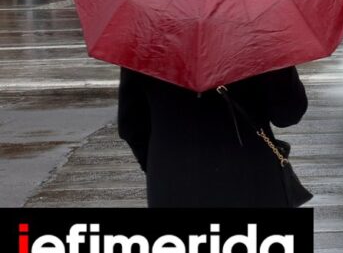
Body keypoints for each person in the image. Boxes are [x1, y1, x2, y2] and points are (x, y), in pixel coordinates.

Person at [118, 66, 308, 207]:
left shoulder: (145, 39)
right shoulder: (258, 33)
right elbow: (288, 114)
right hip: (253, 181)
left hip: (173, 183)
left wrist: (161, 167)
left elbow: (131, 125)